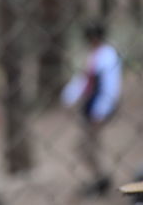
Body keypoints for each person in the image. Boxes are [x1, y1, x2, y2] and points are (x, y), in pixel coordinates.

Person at [61, 22, 122, 196]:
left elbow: (111, 86)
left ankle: (102, 180)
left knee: (86, 146)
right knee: (88, 146)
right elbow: (83, 81)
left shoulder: (108, 56)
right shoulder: (95, 55)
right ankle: (100, 180)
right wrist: (68, 97)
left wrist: (101, 111)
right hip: (91, 108)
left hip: (98, 109)